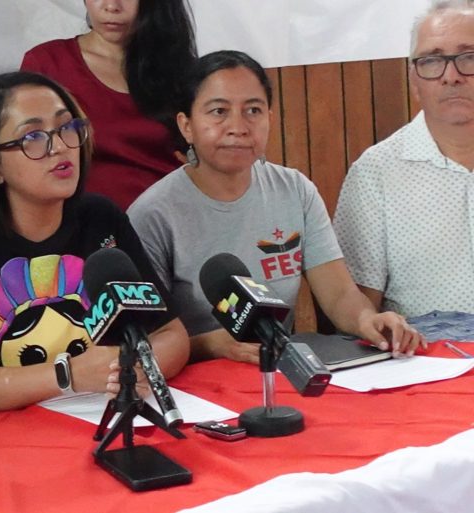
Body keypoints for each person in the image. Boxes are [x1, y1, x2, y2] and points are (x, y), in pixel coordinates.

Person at [0, 71, 189, 411]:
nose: (59, 147)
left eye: (67, 128)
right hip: (5, 429)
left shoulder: (100, 218)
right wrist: (67, 375)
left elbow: (171, 334)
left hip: (100, 410)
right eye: (33, 137)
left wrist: (130, 369)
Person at [127, 50, 424, 364]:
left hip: (277, 369)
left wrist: (367, 319)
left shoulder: (295, 190)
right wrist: (208, 345)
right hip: (193, 378)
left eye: (253, 110)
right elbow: (145, 340)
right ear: (186, 126)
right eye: (219, 111)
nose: (238, 127)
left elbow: (339, 295)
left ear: (270, 118)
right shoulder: (152, 214)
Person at [334, 0, 474, 318]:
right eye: (432, 61)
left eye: (469, 57)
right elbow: (357, 311)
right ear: (413, 80)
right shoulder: (375, 173)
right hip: (426, 348)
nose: (451, 76)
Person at [20, 0, 197, 210]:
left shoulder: (183, 71)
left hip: (171, 216)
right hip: (83, 222)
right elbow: (26, 160)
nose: (111, 6)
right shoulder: (47, 63)